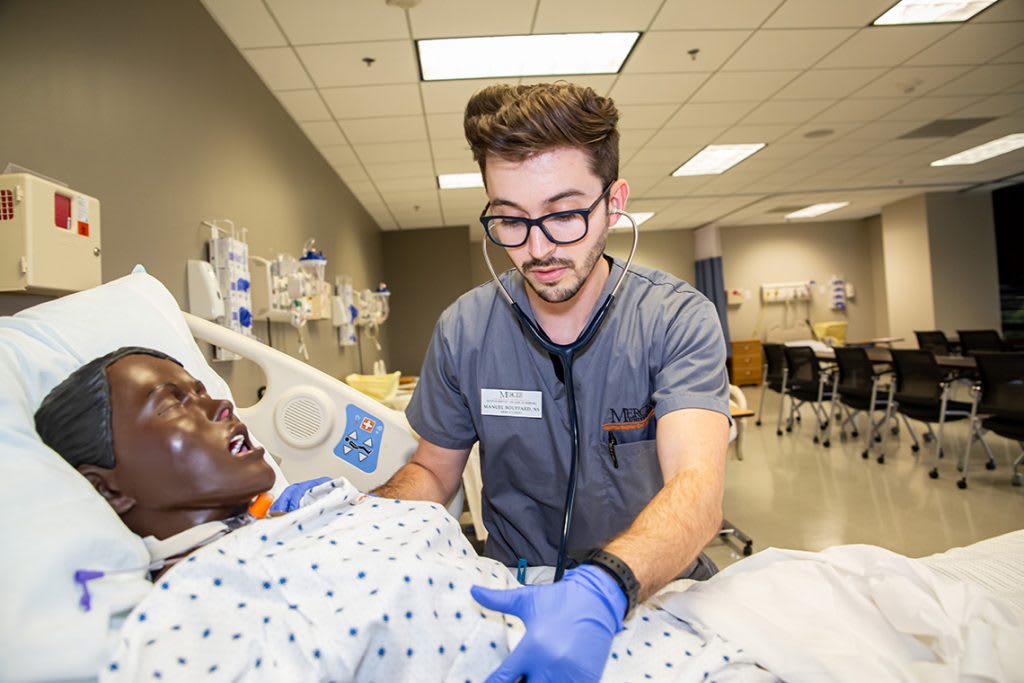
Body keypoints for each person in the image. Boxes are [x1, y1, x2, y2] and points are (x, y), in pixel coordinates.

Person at [34, 347, 757, 682]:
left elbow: (698, 484)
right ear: (111, 490)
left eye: (203, 385)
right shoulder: (202, 605)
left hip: (643, 617)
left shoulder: (295, 516)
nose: (220, 401)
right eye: (174, 401)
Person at [372, 82, 731, 681]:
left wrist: (604, 586)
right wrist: (358, 521)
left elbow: (698, 490)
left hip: (652, 591)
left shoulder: (675, 318)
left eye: (564, 214)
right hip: (513, 590)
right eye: (510, 220)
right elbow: (434, 471)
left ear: (614, 203)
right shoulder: (465, 328)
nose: (537, 248)